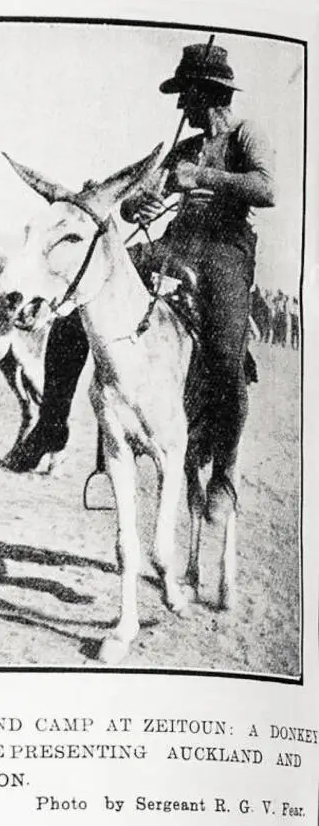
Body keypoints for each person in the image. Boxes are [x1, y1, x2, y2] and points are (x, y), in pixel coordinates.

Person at [121, 42, 275, 511]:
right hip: (176, 240)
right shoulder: (184, 148)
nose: (180, 106)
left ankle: (225, 471)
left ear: (207, 94)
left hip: (226, 249)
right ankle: (51, 423)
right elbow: (135, 201)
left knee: (227, 358)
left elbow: (266, 189)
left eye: (185, 95)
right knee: (93, 283)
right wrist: (137, 205)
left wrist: (203, 177)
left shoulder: (246, 135)